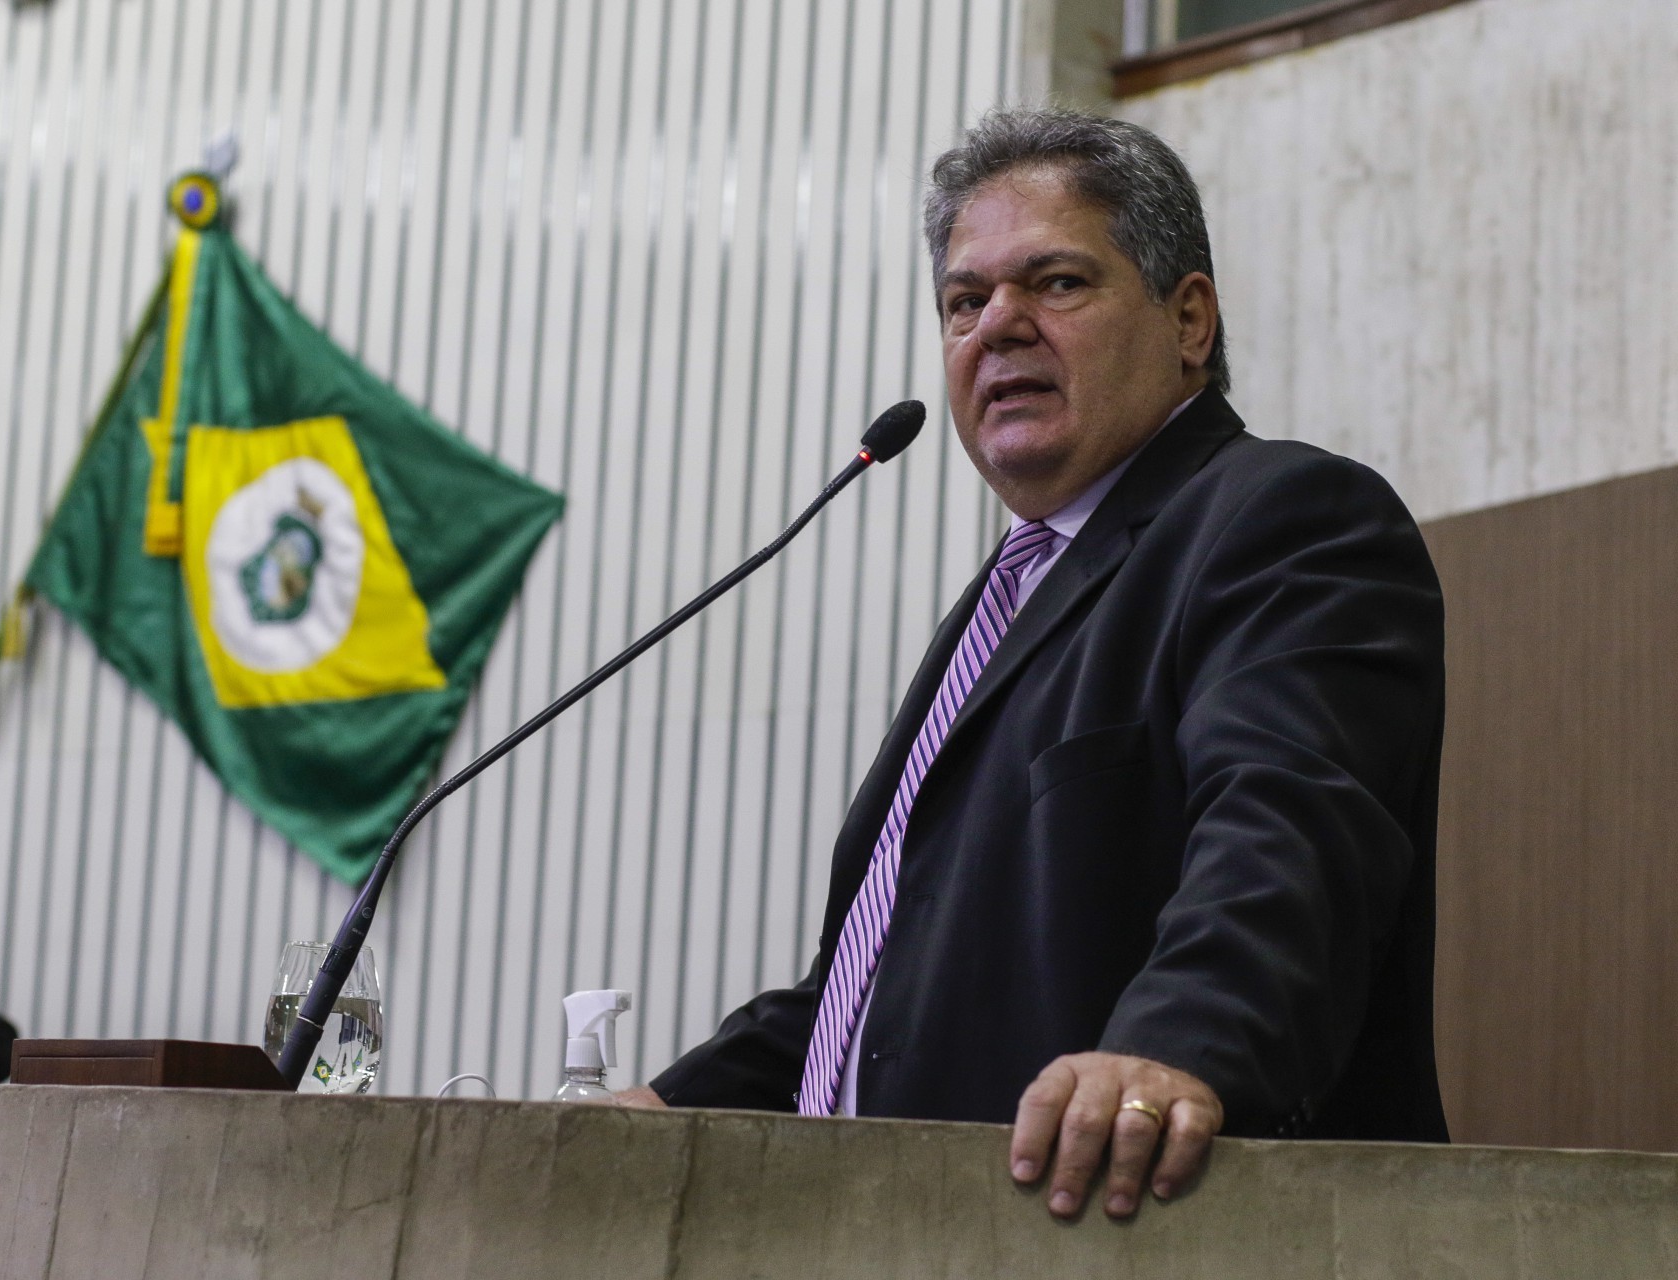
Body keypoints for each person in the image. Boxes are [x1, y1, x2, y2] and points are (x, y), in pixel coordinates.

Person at [617, 107, 1448, 1220]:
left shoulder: (1283, 520)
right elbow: (879, 982)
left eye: (1054, 283)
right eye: (965, 301)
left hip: (1149, 1220)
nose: (996, 325)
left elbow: (1290, 835)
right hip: (900, 1224)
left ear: (1188, 317)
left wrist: (1171, 1049)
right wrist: (668, 1107)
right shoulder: (1000, 608)